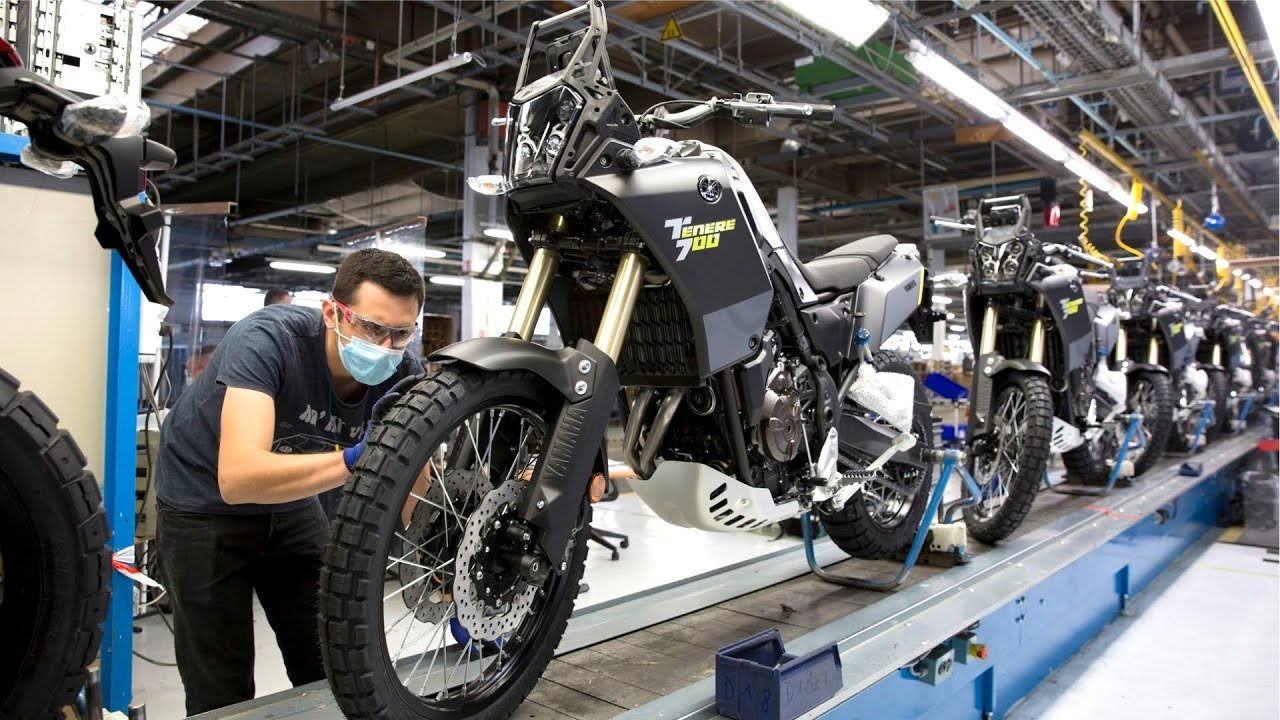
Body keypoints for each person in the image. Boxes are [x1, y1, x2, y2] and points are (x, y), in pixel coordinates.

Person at [153, 248, 424, 715]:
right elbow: (239, 478)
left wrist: (439, 555)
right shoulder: (268, 340)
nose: (386, 347)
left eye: (401, 333)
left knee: (330, 660)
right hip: (202, 502)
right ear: (331, 312)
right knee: (220, 686)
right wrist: (356, 459)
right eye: (372, 327)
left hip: (293, 499)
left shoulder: (404, 376)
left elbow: (415, 484)